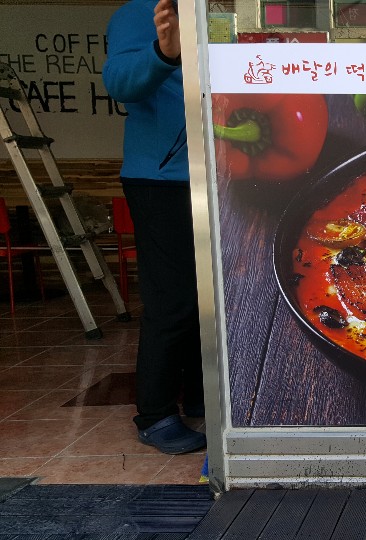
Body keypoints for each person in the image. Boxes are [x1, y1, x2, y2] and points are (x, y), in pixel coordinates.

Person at [103, 0, 205, 454]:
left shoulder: (215, 11)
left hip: (216, 177)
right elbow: (120, 83)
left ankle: (202, 395)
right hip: (160, 180)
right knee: (172, 299)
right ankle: (155, 414)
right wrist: (164, 52)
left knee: (209, 298)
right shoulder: (139, 12)